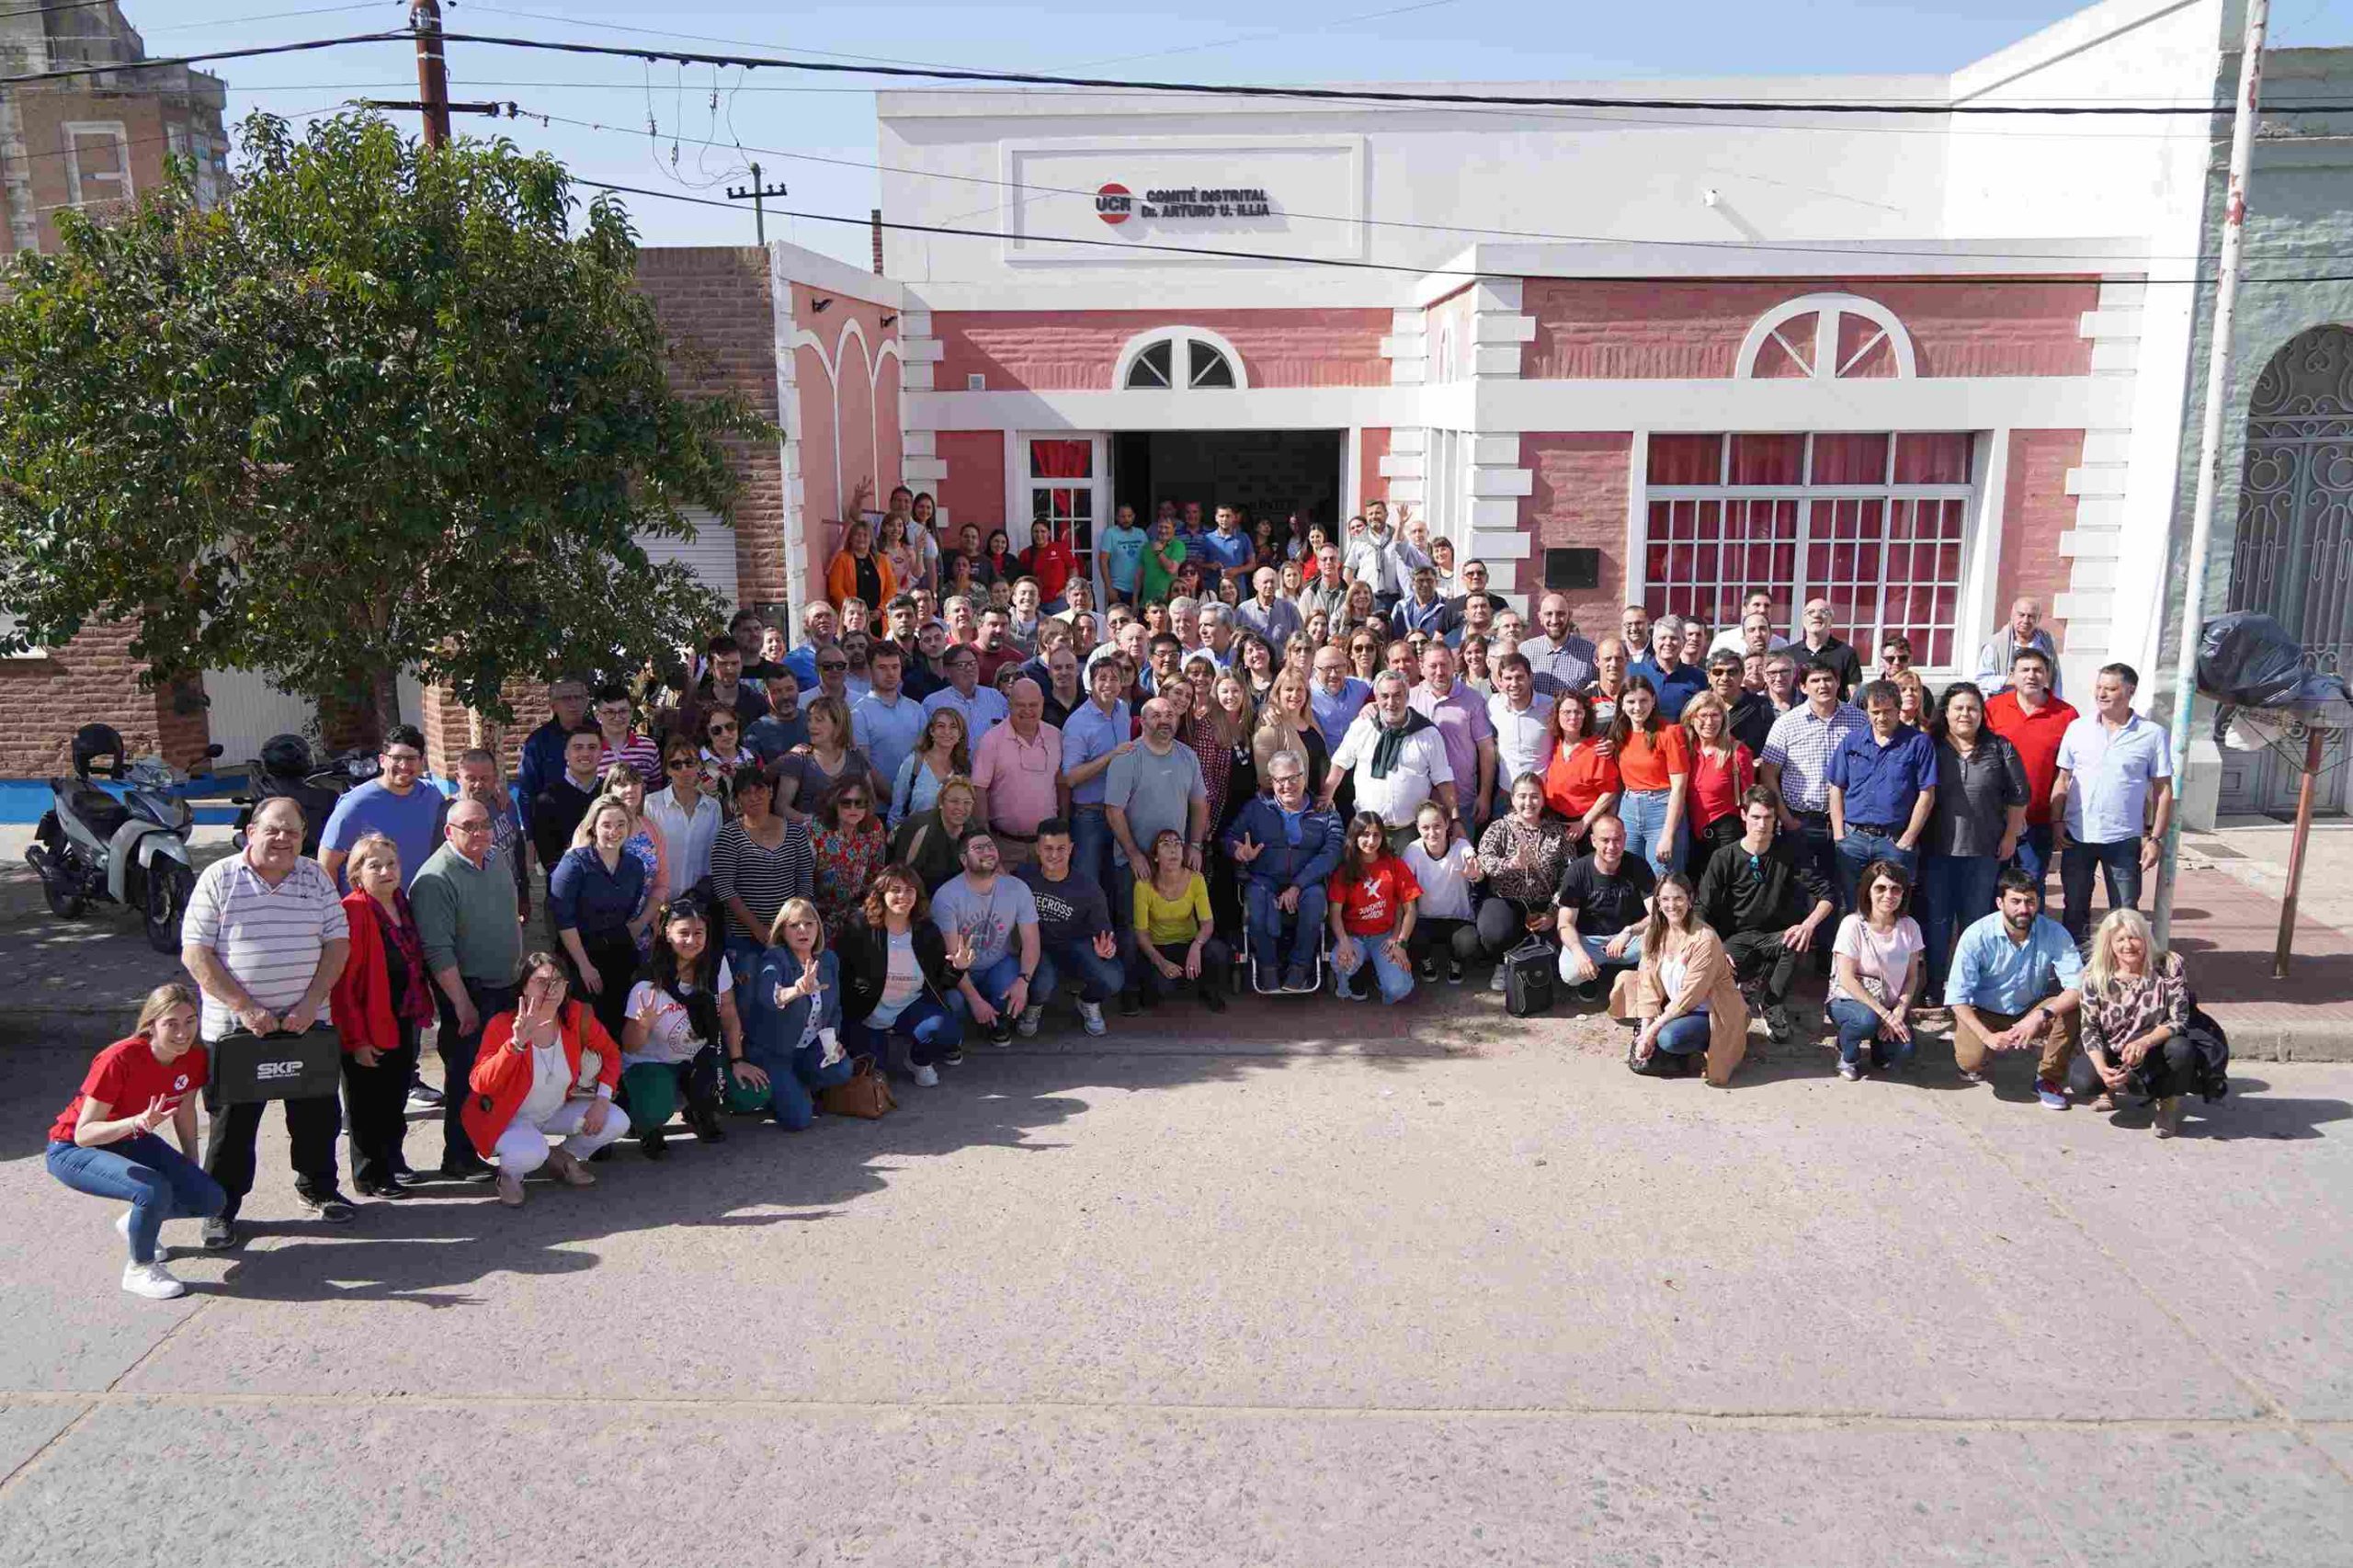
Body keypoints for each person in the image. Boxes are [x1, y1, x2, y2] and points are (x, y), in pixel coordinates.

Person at [180, 796, 353, 1247]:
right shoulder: (220, 877)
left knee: (317, 1116)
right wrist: (245, 1008)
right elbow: (196, 953)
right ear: (252, 831)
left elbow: (337, 943)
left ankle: (318, 1189)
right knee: (231, 1129)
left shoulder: (315, 876)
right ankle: (219, 1209)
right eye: (273, 829)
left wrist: (312, 1001)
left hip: (305, 1024)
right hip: (237, 1031)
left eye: (292, 832)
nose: (282, 839)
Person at [46, 983, 228, 1299]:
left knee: (209, 1198)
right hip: (72, 1149)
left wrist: (190, 1161)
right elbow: (84, 1133)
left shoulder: (194, 1055)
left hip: (129, 1138)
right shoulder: (119, 1058)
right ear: (151, 1024)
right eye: (171, 1023)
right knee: (152, 1189)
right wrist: (136, 1122)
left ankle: (137, 1222)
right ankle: (140, 1268)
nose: (183, 1033)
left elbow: (185, 1109)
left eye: (190, 1021)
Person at [462, 953, 630, 1207]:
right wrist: (516, 1044)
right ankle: (510, 1175)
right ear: (524, 986)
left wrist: (603, 1101)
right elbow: (480, 1083)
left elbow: (611, 1054)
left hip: (555, 1110)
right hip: (509, 1118)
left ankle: (563, 1156)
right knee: (533, 1152)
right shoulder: (503, 1024)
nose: (551, 989)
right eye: (541, 982)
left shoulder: (576, 1016)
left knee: (616, 1120)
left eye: (558, 981)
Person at [330, 834, 436, 1199]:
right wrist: (357, 1041)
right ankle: (369, 1175)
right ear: (357, 874)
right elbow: (344, 986)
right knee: (365, 1106)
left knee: (393, 1100)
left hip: (401, 1015)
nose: (386, 871)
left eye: (391, 864)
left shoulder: (400, 904)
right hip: (366, 1021)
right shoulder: (354, 910)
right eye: (374, 866)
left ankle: (393, 1160)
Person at [1694, 788, 1834, 1044]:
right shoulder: (1724, 857)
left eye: (1768, 818)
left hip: (1775, 936)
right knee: (1720, 988)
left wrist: (1807, 926)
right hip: (1735, 939)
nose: (1762, 824)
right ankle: (1743, 990)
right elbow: (1702, 907)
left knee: (1796, 939)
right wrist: (1712, 947)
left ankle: (1772, 1003)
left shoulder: (1789, 852)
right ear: (1743, 815)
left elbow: (1827, 895)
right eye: (1756, 817)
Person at [2052, 663, 2173, 945]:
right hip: (2077, 836)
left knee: (2125, 913)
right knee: (2074, 910)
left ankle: (2122, 974)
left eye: (2110, 688)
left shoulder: (2152, 734)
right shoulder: (2078, 728)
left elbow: (2163, 790)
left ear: (2130, 691)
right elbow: (2063, 779)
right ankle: (2076, 974)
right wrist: (2056, 821)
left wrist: (2155, 837)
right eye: (2099, 687)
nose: (2101, 694)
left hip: (2124, 839)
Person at [1921, 683, 2028, 1000]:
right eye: (1958, 708)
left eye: (1972, 708)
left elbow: (2019, 796)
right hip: (1937, 850)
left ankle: (1969, 986)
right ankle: (1935, 983)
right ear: (1946, 713)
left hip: (1983, 850)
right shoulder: (1930, 746)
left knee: (1976, 920)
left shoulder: (1999, 747)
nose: (1965, 714)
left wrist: (2010, 836)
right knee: (1938, 921)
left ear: (1982, 714)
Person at [1104, 696, 1211, 1006]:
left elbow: (1199, 803)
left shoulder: (1187, 756)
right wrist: (1135, 853)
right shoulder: (1128, 757)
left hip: (1175, 861)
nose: (1164, 720)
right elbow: (1113, 811)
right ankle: (1129, 991)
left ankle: (1169, 983)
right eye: (1155, 715)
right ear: (1143, 721)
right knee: (1130, 926)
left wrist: (1194, 844)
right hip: (1133, 861)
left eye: (1170, 714)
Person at [1946, 868, 2084, 1108]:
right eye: (2016, 901)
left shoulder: (2054, 932)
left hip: (2030, 1009)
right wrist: (1987, 1037)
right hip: (1984, 1011)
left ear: (2038, 902)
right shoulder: (1977, 935)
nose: (2023, 909)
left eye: (2030, 901)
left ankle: (2048, 1078)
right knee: (1970, 1062)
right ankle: (1978, 1049)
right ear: (2000, 902)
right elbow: (1957, 998)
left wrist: (2040, 1016)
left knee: (2072, 1007)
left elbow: (2077, 986)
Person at [620, 898, 741, 1154]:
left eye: (699, 933)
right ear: (667, 934)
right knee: (655, 1107)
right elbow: (630, 1046)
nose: (692, 940)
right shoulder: (648, 981)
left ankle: (698, 1109)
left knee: (751, 1093)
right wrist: (643, 1025)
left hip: (697, 1054)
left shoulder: (715, 966)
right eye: (683, 933)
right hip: (651, 1061)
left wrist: (738, 1059)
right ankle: (646, 1125)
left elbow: (728, 1013)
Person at [1224, 749, 1345, 993]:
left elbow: (1333, 851)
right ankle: (1268, 967)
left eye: (1293, 778)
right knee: (1256, 898)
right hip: (1265, 877)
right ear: (1271, 781)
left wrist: (1297, 885)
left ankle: (1299, 968)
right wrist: (1238, 851)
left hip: (1307, 881)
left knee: (1314, 900)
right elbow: (1230, 838)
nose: (1287, 785)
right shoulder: (1256, 808)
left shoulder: (1324, 810)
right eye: (1280, 780)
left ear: (1304, 777)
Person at [1760, 659, 1867, 926]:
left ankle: (1830, 961)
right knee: (1798, 890)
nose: (1823, 685)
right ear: (1803, 686)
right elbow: (1768, 774)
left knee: (1843, 892)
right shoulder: (1787, 723)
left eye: (1828, 679)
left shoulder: (1859, 720)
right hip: (1801, 820)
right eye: (1815, 680)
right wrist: (1786, 819)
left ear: (1838, 682)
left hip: (1847, 822)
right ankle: (1797, 959)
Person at [1613, 872, 1747, 1085]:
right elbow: (1648, 983)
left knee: (1669, 1038)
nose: (1671, 905)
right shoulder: (1654, 932)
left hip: (1708, 1010)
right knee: (1628, 981)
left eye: (1678, 898)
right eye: (1665, 899)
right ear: (1657, 902)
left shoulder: (1705, 938)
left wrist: (1654, 1031)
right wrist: (1647, 1027)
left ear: (1690, 899)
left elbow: (1690, 997)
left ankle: (1707, 1046)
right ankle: (1653, 1037)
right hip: (1674, 1004)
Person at [2073, 909, 2198, 1135]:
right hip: (2115, 1048)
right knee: (2082, 1081)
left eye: (2134, 937)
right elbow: (2089, 1029)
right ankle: (2106, 1091)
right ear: (2109, 944)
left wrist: (2145, 1042)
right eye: (2120, 939)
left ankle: (2167, 1105)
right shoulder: (2095, 977)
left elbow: (2179, 1019)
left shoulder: (2168, 965)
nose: (2128, 945)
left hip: (2155, 1047)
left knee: (2181, 1049)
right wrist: (2102, 1069)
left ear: (2145, 939)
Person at [740, 896, 858, 1123]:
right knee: (799, 1120)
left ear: (818, 928)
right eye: (794, 925)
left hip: (809, 1048)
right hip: (773, 1052)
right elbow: (769, 996)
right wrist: (795, 990)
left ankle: (795, 1086)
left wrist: (832, 1043)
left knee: (842, 1068)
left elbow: (835, 1010)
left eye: (809, 923)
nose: (802, 929)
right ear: (783, 931)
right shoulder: (774, 958)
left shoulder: (829, 960)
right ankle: (784, 1091)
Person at [1827, 678, 1938, 904]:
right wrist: (1840, 835)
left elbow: (1927, 794)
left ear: (1899, 709)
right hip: (1853, 839)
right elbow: (1837, 787)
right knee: (1853, 905)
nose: (1881, 718)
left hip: (1894, 840)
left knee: (1894, 907)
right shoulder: (1852, 742)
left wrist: (1908, 838)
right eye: (1875, 712)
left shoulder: (1919, 743)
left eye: (1887, 711)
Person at [931, 828, 1044, 1044]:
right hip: (959, 972)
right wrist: (974, 1000)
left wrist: (1023, 982)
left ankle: (998, 1022)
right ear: (964, 859)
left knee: (1013, 989)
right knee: (954, 1003)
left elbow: (1031, 942)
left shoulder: (1018, 888)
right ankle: (955, 1035)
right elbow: (952, 957)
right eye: (978, 848)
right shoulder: (946, 896)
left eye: (991, 846)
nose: (987, 851)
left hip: (997, 965)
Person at [1324, 670, 1457, 851]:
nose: (1391, 703)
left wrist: (1455, 820)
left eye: (1397, 695)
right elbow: (1340, 763)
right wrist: (1325, 797)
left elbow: (1443, 780)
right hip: (1367, 833)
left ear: (1407, 696)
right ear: (1376, 699)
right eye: (1384, 696)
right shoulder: (1362, 726)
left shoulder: (1428, 733)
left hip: (1410, 833)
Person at [551, 797, 649, 1041]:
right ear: (593, 827)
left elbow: (629, 909)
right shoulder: (574, 864)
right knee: (583, 1028)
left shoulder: (635, 866)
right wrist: (584, 966)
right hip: (580, 952)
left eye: (620, 824)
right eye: (606, 824)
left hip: (618, 950)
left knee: (617, 1022)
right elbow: (563, 920)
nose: (613, 832)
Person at [1017, 818, 1122, 1036]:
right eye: (1048, 848)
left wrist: (1106, 949)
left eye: (1061, 848)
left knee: (1113, 979)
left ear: (1071, 849)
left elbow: (1103, 933)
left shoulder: (1088, 887)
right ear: (1037, 849)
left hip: (1075, 946)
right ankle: (1034, 1006)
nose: (1054, 855)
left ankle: (1087, 1001)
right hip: (1038, 949)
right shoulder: (1023, 878)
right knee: (1042, 983)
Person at [1983, 646, 2078, 887]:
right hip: (1996, 817)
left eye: (2038, 670)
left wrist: (2060, 819)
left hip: (2039, 819)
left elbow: (2070, 772)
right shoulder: (1993, 708)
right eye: (2024, 670)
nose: (2031, 675)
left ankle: (2033, 926)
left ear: (2047, 675)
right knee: (1993, 886)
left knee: (2032, 886)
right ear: (2013, 675)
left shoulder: (2066, 715)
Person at [710, 769, 814, 983]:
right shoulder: (728, 836)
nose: (754, 796)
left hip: (789, 934)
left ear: (771, 792)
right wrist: (758, 930)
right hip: (743, 937)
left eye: (759, 790)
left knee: (788, 993)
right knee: (747, 998)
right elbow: (724, 887)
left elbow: (805, 878)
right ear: (737, 798)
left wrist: (795, 925)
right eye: (746, 792)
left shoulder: (796, 833)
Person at [1828, 859, 1925, 1081]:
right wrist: (1884, 1015)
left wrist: (1899, 1012)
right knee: (1865, 1021)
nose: (1888, 895)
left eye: (1895, 889)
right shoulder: (1852, 925)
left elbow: (1912, 977)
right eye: (1880, 888)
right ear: (1868, 891)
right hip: (1849, 1001)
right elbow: (1846, 978)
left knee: (1904, 1052)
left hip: (1890, 1005)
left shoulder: (1910, 926)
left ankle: (1879, 1048)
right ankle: (1847, 1053)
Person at [319, 724, 443, 892]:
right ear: (383, 760)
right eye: (397, 758)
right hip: (366, 911)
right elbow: (327, 865)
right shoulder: (356, 804)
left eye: (411, 758)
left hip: (414, 907)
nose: (404, 765)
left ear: (422, 761)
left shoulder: (432, 795)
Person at [1131, 827, 1233, 1011]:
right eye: (1165, 844)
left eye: (1178, 844)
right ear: (1155, 856)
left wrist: (1196, 945)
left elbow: (1207, 923)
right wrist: (1160, 962)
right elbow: (1141, 933)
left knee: (1218, 951)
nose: (1173, 849)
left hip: (1188, 942)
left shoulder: (1196, 878)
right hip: (1159, 947)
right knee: (1159, 990)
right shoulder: (1143, 886)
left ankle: (1209, 990)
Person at [1551, 813, 1652, 998]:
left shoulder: (1639, 866)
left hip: (1628, 939)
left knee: (1663, 940)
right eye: (1605, 840)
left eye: (1617, 839)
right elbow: (1565, 923)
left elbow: (1657, 915)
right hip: (1590, 940)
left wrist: (1630, 931)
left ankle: (1640, 983)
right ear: (1593, 841)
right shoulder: (1577, 870)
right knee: (1570, 973)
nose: (1612, 847)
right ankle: (1591, 976)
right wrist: (1579, 953)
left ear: (1625, 838)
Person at [1324, 812, 1419, 1005]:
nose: (1371, 840)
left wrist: (1400, 942)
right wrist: (1343, 941)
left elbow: (1410, 909)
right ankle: (1350, 978)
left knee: (1398, 989)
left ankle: (1379, 975)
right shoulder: (1345, 870)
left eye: (1376, 835)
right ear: (1355, 836)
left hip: (1384, 937)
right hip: (1354, 936)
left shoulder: (1394, 864)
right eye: (1365, 834)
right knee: (1340, 961)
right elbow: (1335, 914)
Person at [972, 677, 1063, 868]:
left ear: (1042, 704)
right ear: (1009, 705)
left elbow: (1062, 784)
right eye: (1021, 705)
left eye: (1033, 705)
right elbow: (978, 790)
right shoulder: (991, 740)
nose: (1028, 711)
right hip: (1005, 846)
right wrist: (986, 839)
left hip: (1048, 847)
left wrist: (1064, 826)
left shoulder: (1057, 737)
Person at [1411, 642, 1496, 836]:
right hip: (1420, 803)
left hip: (1462, 800)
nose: (1439, 671)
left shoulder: (1472, 700)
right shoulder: (1410, 698)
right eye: (1433, 666)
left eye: (1444, 664)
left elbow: (1486, 750)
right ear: (1422, 667)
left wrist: (1484, 795)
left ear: (1454, 665)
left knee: (1462, 860)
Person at [1609, 676, 1689, 877]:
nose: (1638, 707)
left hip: (1661, 809)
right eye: (1631, 701)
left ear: (1653, 701)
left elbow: (1679, 787)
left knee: (1662, 876)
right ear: (1622, 704)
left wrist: (1668, 834)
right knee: (1629, 874)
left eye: (1643, 700)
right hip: (1628, 808)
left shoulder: (1670, 733)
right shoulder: (1620, 733)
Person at [1400, 800, 1483, 983]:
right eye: (1426, 827)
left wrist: (1475, 875)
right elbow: (1404, 890)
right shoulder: (1412, 850)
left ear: (1447, 824)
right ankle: (1426, 961)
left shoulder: (1461, 846)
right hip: (1425, 919)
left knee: (1468, 943)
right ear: (1418, 828)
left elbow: (1476, 869)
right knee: (1413, 936)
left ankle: (1455, 961)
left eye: (1437, 826)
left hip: (1458, 919)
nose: (1432, 833)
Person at [513, 677, 592, 865]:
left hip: (595, 826)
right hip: (554, 830)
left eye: (578, 697)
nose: (573, 703)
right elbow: (527, 792)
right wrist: (530, 838)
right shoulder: (538, 742)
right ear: (553, 705)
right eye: (566, 698)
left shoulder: (599, 733)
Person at [773, 694, 884, 824]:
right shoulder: (798, 758)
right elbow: (781, 807)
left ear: (838, 724)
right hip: (809, 838)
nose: (811, 726)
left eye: (819, 720)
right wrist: (814, 822)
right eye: (809, 720)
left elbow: (870, 801)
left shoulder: (855, 757)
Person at [809, 774, 889, 941]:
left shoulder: (874, 828)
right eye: (846, 803)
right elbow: (803, 878)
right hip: (817, 911)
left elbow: (875, 873)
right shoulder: (814, 830)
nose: (853, 808)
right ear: (834, 803)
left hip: (855, 909)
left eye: (860, 803)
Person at [1681, 690, 1756, 864]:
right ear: (1692, 718)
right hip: (1692, 833)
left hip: (1726, 833)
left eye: (1715, 715)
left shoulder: (1738, 752)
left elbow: (1750, 799)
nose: (1709, 722)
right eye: (1703, 715)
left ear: (1723, 718)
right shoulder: (1686, 750)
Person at [643, 734, 723, 899]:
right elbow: (645, 857)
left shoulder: (713, 807)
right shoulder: (651, 804)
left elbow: (714, 859)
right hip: (656, 903)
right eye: (676, 765)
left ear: (699, 766)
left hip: (699, 904)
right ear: (667, 770)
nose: (684, 770)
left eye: (690, 762)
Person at [1540, 688, 1620, 849]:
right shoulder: (1554, 742)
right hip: (1553, 820)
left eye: (1578, 712)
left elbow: (1610, 792)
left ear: (1586, 715)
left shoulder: (1597, 749)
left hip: (1584, 823)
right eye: (1566, 712)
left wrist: (1584, 823)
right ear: (1557, 714)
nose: (1572, 717)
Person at [529, 725, 607, 891]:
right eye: (578, 747)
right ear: (566, 754)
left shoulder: (609, 793)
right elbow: (550, 860)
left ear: (601, 754)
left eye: (592, 747)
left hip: (609, 895)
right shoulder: (547, 800)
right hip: (565, 895)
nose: (585, 753)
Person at [852, 642, 927, 799]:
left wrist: (911, 800)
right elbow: (864, 766)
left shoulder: (916, 709)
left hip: (916, 803)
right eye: (882, 668)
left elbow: (925, 754)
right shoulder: (859, 713)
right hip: (879, 808)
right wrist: (896, 800)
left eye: (895, 667)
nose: (890, 673)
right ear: (870, 671)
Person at [891, 775, 982, 893]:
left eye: (967, 802)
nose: (961, 807)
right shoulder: (923, 828)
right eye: (954, 801)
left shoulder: (970, 828)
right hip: (914, 894)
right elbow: (902, 874)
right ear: (941, 802)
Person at [892, 706, 973, 828]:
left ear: (960, 734)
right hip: (914, 839)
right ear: (931, 731)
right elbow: (896, 812)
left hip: (951, 842)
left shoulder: (963, 768)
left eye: (953, 727)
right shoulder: (914, 763)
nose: (947, 732)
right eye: (941, 726)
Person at [1974, 596, 2064, 699]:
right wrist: (2010, 680)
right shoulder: (1995, 645)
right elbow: (1981, 681)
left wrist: (2057, 702)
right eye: (2021, 615)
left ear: (2038, 619)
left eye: (2031, 616)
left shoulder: (2047, 643)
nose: (2025, 620)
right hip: (2006, 706)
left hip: (2040, 705)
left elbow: (2056, 680)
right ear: (2012, 616)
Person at [922, 641, 1011, 740]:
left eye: (973, 664)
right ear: (947, 671)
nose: (969, 669)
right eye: (961, 665)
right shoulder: (933, 704)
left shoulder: (995, 697)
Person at [1519, 594, 1597, 697]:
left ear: (1569, 615)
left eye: (1560, 614)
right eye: (1549, 614)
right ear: (1540, 617)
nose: (1554, 620)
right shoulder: (1524, 650)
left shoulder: (1589, 652)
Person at [1703, 650, 1774, 756]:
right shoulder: (1698, 706)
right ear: (1709, 676)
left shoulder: (1761, 706)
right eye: (1718, 672)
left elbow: (1772, 750)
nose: (1725, 678)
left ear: (1742, 675)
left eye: (1732, 672)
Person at [591, 683, 663, 785]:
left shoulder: (648, 747)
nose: (617, 717)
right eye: (610, 712)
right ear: (597, 715)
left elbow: (655, 788)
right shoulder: (587, 748)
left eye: (623, 711)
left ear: (631, 712)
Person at [1794, 597, 1864, 699]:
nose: (1816, 615)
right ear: (1804, 621)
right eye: (1810, 612)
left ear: (1831, 620)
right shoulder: (1789, 654)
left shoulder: (1847, 653)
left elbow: (1855, 695)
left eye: (1823, 612)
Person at [746, 669, 811, 766]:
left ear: (798, 689)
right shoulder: (755, 732)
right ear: (766, 694)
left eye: (790, 689)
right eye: (777, 691)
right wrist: (786, 759)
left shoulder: (815, 721)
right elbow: (754, 775)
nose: (785, 696)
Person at [1099, 504, 1150, 605]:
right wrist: (1109, 589)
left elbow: (1148, 559)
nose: (1126, 519)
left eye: (1129, 516)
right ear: (1117, 517)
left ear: (1133, 516)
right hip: (1119, 588)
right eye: (1123, 516)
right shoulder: (1110, 533)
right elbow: (1103, 562)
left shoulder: (1141, 533)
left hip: (1140, 588)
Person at [1020, 521, 1076, 611]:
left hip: (1058, 601)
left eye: (1043, 531)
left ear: (1049, 533)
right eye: (1036, 532)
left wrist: (1067, 589)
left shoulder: (1060, 548)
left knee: (1059, 625)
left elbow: (1073, 569)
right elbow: (1022, 579)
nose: (1039, 535)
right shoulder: (1026, 554)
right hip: (1035, 601)